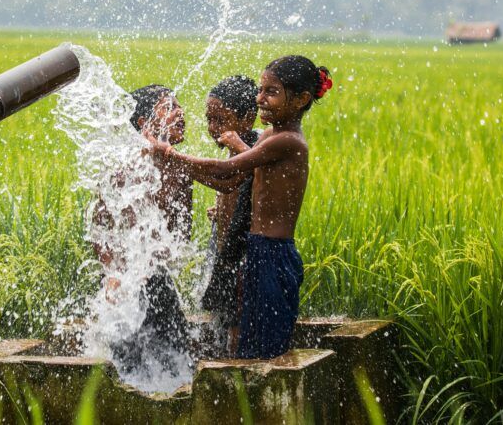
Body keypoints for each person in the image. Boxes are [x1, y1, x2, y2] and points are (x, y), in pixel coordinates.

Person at [147, 56, 332, 359]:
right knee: (250, 341)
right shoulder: (271, 136)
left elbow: (224, 169)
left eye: (272, 92)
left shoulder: (288, 141)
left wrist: (169, 154)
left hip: (274, 253)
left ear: (301, 99)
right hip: (258, 250)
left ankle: (262, 402)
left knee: (266, 348)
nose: (261, 98)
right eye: (261, 89)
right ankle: (247, 400)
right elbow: (230, 180)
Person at [100, 84, 193, 373]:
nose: (180, 113)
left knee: (175, 359)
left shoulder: (180, 168)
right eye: (169, 107)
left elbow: (183, 231)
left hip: (157, 279)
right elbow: (100, 228)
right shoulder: (124, 168)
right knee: (125, 365)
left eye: (179, 105)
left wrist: (158, 257)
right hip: (123, 283)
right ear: (144, 123)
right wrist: (113, 273)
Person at [200, 75, 260, 355]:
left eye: (220, 120)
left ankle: (233, 372)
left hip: (241, 253)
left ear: (247, 119)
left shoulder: (255, 148)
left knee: (237, 317)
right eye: (209, 119)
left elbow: (265, 184)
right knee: (223, 315)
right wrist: (221, 210)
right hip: (225, 249)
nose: (213, 128)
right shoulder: (234, 150)